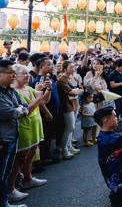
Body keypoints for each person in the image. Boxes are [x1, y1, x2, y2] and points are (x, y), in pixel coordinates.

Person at [7, 64, 50, 203]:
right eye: (23, 73)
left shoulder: (28, 88)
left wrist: (48, 89)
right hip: (24, 128)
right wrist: (38, 96)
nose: (27, 75)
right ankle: (11, 189)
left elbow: (44, 100)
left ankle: (28, 178)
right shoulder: (14, 92)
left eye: (27, 73)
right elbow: (27, 110)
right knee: (19, 160)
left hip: (35, 126)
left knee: (30, 155)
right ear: (15, 76)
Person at [0, 60, 30, 207]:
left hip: (13, 136)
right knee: (1, 174)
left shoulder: (11, 91)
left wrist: (20, 110)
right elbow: (9, 113)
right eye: (10, 73)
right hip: (3, 140)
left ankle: (5, 201)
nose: (14, 76)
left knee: (6, 173)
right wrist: (18, 111)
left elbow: (25, 107)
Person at [56, 61, 83, 160]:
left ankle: (69, 146)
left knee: (72, 127)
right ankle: (64, 149)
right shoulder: (61, 80)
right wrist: (76, 91)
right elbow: (71, 92)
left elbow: (81, 88)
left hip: (75, 104)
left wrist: (76, 91)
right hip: (67, 106)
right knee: (69, 127)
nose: (73, 68)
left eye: (74, 66)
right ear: (65, 68)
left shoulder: (74, 77)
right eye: (71, 67)